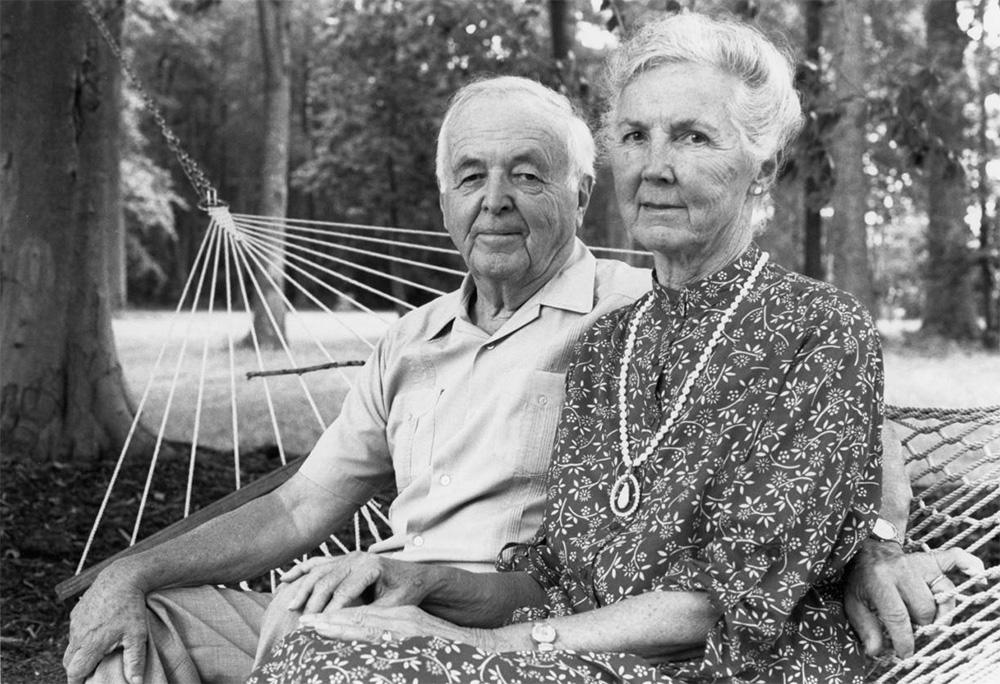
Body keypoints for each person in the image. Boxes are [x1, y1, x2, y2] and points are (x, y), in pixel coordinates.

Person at [65, 71, 972, 684]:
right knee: (135, 639)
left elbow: (861, 427)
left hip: (530, 623)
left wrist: (876, 548)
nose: (494, 199)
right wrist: (132, 572)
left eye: (526, 175)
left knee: (332, 660)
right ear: (445, 198)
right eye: (471, 176)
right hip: (396, 592)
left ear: (580, 196)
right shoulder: (412, 341)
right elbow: (302, 509)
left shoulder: (639, 304)